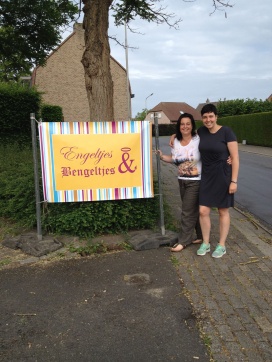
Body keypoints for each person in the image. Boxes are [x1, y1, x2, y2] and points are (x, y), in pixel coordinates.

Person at [195, 103, 239, 258]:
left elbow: (234, 158)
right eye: (205, 117)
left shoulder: (226, 132)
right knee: (203, 211)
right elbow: (186, 135)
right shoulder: (200, 132)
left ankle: (221, 245)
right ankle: (206, 243)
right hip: (206, 175)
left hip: (223, 176)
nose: (208, 120)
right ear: (202, 118)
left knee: (222, 210)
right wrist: (174, 137)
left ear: (216, 117)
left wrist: (234, 181)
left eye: (211, 116)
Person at [156, 113, 203, 252]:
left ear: (192, 125)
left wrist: (228, 156)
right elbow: (173, 158)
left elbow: (213, 146)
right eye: (182, 124)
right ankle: (200, 236)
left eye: (188, 123)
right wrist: (162, 156)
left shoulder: (199, 139)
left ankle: (184, 241)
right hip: (182, 180)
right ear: (179, 126)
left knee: (187, 211)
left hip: (196, 181)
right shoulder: (175, 141)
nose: (185, 126)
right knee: (193, 209)